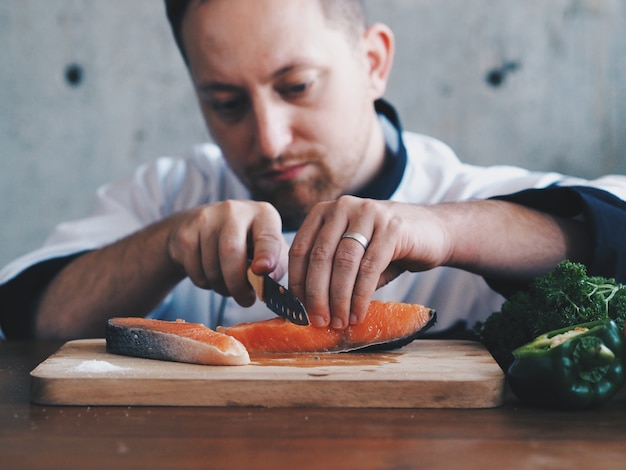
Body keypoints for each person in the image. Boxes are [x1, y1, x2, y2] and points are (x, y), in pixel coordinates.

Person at [1, 0, 626, 341]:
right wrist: (167, 244)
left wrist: (451, 232)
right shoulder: (166, 195)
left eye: (296, 86)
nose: (268, 139)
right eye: (225, 103)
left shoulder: (468, 200)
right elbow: (30, 316)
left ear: (374, 61)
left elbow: (611, 234)